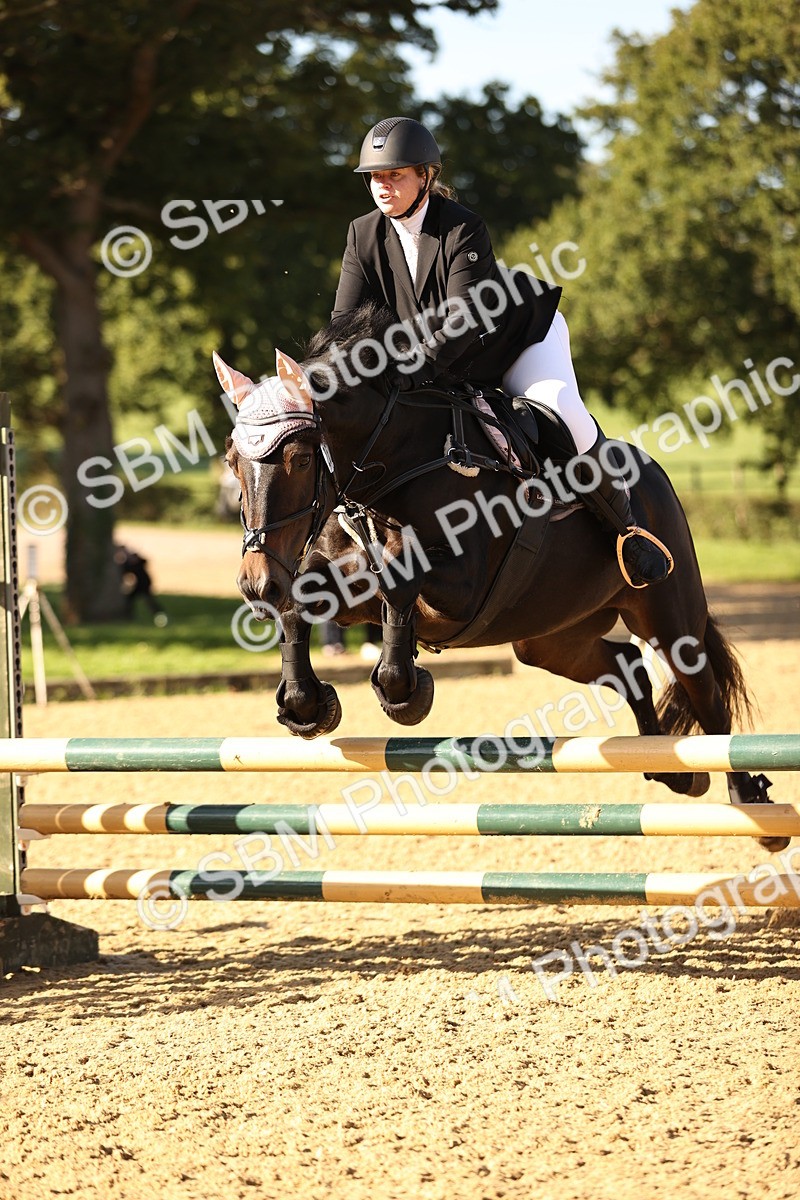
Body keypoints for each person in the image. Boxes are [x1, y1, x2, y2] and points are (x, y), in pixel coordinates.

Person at [332, 116, 671, 588]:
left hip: (514, 341)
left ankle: (627, 531)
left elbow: (462, 322)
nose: (383, 186)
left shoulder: (462, 228)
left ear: (426, 176)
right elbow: (345, 325)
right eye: (375, 177)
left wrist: (405, 370)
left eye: (395, 175)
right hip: (440, 359)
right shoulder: (361, 234)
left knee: (563, 411)